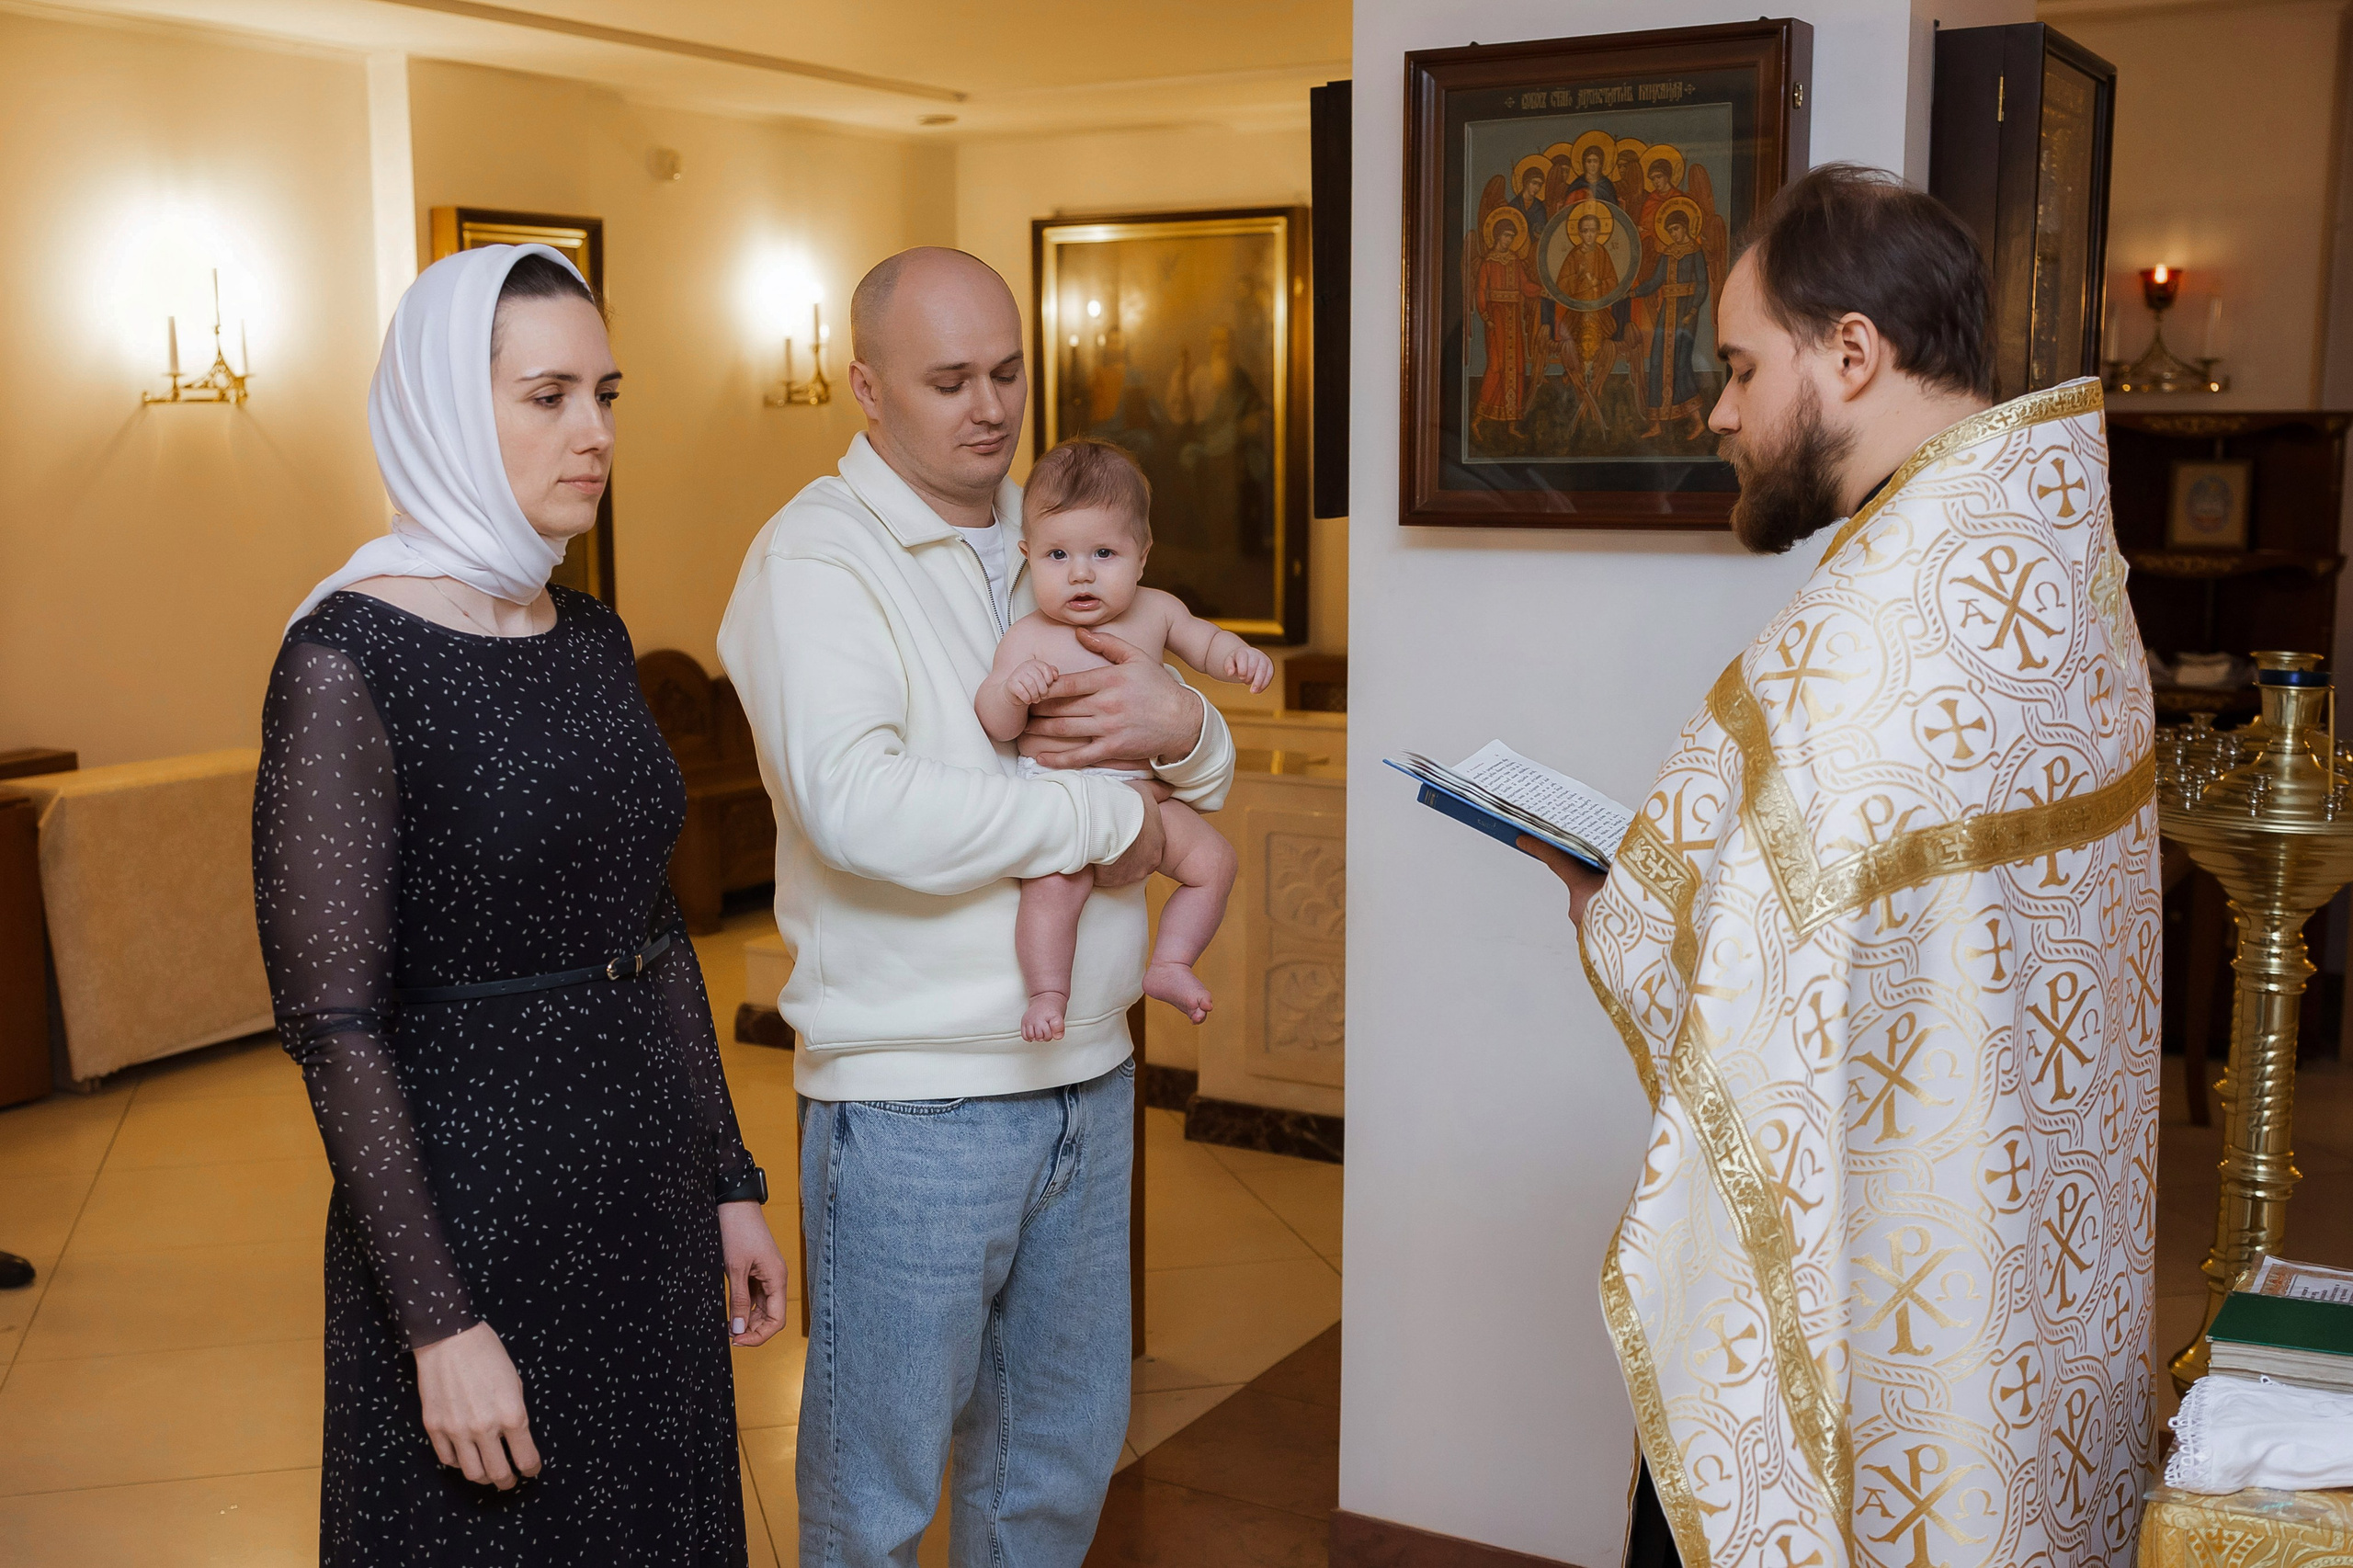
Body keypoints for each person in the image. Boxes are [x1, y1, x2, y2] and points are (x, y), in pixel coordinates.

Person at [1525, 165, 2156, 1568]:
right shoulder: (2057, 566)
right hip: (2023, 1267)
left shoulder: (1868, 635)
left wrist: (1626, 912)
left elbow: (1769, 998)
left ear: (1853, 352)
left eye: (1742, 366)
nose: (1719, 412)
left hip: (1884, 1278)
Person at [253, 244, 791, 1565]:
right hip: (469, 1208)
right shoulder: (345, 658)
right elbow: (335, 1025)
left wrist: (725, 1180)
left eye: (606, 394)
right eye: (548, 397)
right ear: (446, 407)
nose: (594, 432)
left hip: (642, 1193)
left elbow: (655, 937)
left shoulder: (591, 634)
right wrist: (438, 1322)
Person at [716, 246, 1235, 1567]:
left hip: (1089, 1073)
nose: (991, 407)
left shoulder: (1049, 528)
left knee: (1051, 1472)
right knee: (878, 1501)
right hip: (915, 1104)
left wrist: (1187, 727)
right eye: (949, 380)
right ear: (865, 387)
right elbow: (860, 806)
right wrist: (1114, 823)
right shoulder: (813, 557)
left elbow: (1185, 748)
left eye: (1007, 372)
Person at [976, 437, 1272, 1042]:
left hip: (1145, 795)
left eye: (1104, 553)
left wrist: (1237, 656)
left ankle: (1170, 964)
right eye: (1058, 555)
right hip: (1063, 797)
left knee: (1215, 862)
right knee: (1053, 891)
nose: (1080, 573)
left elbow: (1205, 642)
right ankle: (1048, 992)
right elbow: (996, 722)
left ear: (1142, 556)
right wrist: (1013, 691)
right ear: (1028, 556)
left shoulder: (1157, 610)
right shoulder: (1027, 636)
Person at [1628, 202, 1712, 439]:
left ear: (1685, 228)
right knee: (1657, 361)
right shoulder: (1667, 254)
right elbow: (1656, 281)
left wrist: (1692, 310)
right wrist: (1633, 292)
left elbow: (1702, 283)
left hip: (1686, 312)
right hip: (1667, 312)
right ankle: (1656, 423)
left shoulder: (1695, 252)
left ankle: (1698, 421)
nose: (1674, 234)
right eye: (1670, 231)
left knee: (1681, 362)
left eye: (1676, 229)